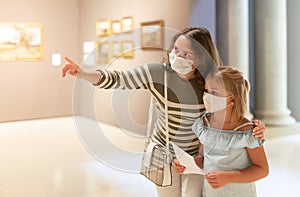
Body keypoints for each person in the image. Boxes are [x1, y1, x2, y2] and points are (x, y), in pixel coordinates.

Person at [62, 27, 266, 197]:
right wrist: (83, 74)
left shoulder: (209, 81)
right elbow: (120, 79)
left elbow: (230, 106)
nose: (178, 56)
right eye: (176, 49)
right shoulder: (157, 73)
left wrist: (254, 127)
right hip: (161, 152)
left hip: (196, 156)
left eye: (187, 54)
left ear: (201, 59)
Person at [174, 66, 269, 197]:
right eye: (206, 91)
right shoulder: (204, 125)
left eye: (214, 93)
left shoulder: (247, 132)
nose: (207, 96)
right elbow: (202, 158)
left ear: (232, 97)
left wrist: (229, 177)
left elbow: (262, 169)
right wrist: (187, 164)